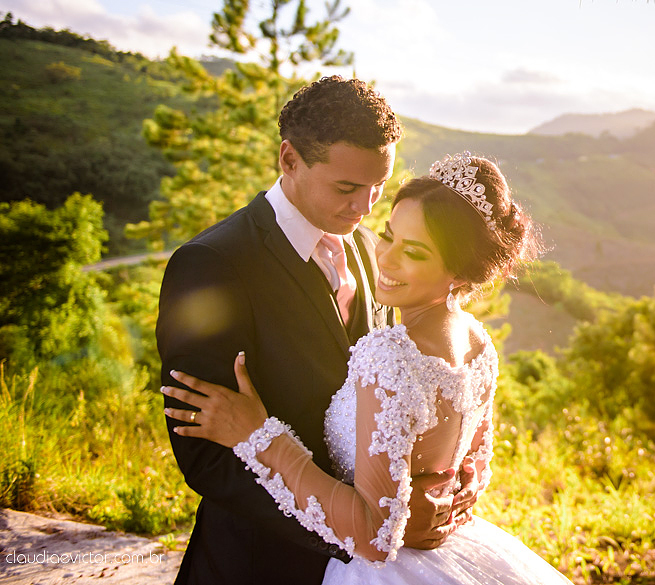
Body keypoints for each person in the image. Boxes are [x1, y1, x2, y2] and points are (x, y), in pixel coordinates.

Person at [161, 152, 572, 585]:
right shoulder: (477, 343)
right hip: (423, 555)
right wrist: (436, 496)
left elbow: (378, 534)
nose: (386, 259)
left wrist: (258, 434)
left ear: (458, 272)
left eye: (412, 252)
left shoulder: (391, 354)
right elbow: (469, 470)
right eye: (390, 236)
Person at [157, 77, 471, 585]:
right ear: (289, 160)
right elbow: (203, 456)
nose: (365, 206)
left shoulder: (371, 249)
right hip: (258, 563)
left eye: (378, 187)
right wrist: (352, 531)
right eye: (347, 188)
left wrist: (418, 497)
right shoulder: (212, 265)